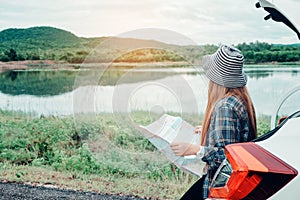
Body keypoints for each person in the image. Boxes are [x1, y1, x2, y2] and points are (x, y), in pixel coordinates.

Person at [170, 45, 257, 199]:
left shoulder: (224, 106)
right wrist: (210, 128)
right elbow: (238, 140)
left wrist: (195, 149)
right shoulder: (240, 99)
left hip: (222, 188)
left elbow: (228, 159)